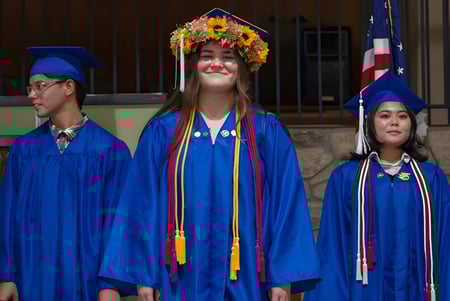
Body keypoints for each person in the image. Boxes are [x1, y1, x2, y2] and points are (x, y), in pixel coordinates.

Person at [98, 8, 320, 301]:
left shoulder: (266, 132)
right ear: (193, 66)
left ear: (242, 68)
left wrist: (282, 277)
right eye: (207, 56)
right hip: (179, 277)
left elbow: (286, 205)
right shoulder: (164, 132)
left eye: (228, 58)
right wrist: (144, 275)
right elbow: (141, 204)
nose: (217, 63)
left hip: (248, 278)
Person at [0, 46, 133, 300]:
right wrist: (7, 276)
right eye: (30, 88)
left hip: (89, 279)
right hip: (33, 276)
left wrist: (111, 284)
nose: (31, 95)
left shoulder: (110, 151)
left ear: (68, 88)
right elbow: (7, 217)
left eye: (39, 86)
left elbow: (119, 223)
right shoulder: (24, 151)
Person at [304, 71, 449, 300]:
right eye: (384, 116)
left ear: (411, 124)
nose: (394, 122)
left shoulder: (430, 179)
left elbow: (445, 242)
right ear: (369, 121)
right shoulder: (346, 178)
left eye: (402, 116)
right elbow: (333, 246)